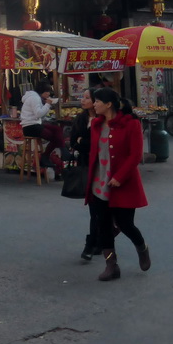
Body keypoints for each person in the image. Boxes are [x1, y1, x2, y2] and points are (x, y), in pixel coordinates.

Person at [87, 88, 150, 281]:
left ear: (108, 104)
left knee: (125, 224)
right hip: (99, 183)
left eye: (97, 101)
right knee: (103, 226)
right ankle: (111, 266)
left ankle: (142, 248)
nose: (94, 104)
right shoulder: (96, 124)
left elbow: (135, 155)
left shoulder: (131, 124)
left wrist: (120, 177)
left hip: (122, 184)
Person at [71, 88, 100, 261]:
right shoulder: (81, 119)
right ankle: (94, 243)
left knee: (100, 208)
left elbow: (95, 143)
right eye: (83, 97)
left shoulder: (103, 120)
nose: (83, 100)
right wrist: (83, 142)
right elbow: (75, 141)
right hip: (86, 165)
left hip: (102, 167)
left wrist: (84, 141)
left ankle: (94, 243)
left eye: (88, 98)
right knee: (94, 208)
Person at [19, 81, 69, 168]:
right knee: (54, 137)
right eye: (48, 92)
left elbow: (40, 115)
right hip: (30, 127)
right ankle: (47, 156)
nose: (48, 94)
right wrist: (48, 104)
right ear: (43, 91)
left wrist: (46, 105)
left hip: (35, 124)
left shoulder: (36, 97)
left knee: (57, 129)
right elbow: (39, 114)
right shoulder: (34, 98)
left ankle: (62, 151)